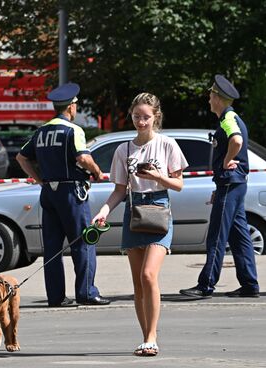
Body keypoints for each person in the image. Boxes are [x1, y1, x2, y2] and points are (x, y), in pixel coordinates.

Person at [92, 93, 188, 356]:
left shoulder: (167, 144)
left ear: (155, 116)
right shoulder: (123, 149)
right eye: (136, 117)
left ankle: (152, 336)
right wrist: (103, 211)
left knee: (148, 275)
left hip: (159, 208)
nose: (141, 122)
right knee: (137, 283)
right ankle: (145, 336)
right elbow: (119, 190)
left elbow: (179, 184)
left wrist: (159, 176)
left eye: (146, 117)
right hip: (134, 211)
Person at [16, 82, 110, 307]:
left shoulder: (41, 131)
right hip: (70, 193)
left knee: (52, 247)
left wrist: (40, 181)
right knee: (83, 242)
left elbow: (21, 158)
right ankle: (86, 293)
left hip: (48, 193)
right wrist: (96, 172)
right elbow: (83, 158)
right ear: (71, 107)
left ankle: (56, 297)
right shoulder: (72, 130)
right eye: (76, 105)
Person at [179, 74, 259, 299]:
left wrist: (225, 163)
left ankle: (206, 285)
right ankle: (250, 284)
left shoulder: (228, 119)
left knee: (216, 236)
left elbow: (236, 141)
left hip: (230, 184)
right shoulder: (231, 117)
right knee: (239, 236)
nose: (208, 100)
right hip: (232, 184)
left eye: (211, 95)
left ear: (218, 98)